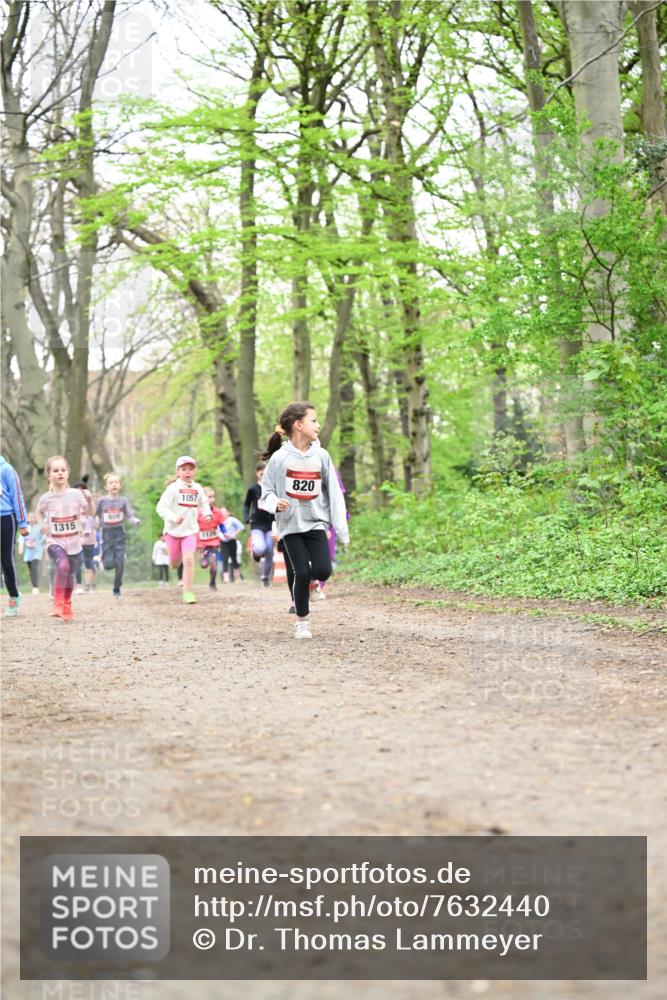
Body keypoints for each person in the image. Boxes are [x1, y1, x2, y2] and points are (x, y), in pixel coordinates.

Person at [259, 402, 349, 639]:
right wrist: (274, 503)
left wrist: (340, 528)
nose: (318, 425)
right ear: (299, 425)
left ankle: (311, 584)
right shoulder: (279, 458)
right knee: (300, 572)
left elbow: (335, 493)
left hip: (316, 523)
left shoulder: (321, 456)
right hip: (290, 526)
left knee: (323, 570)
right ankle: (302, 622)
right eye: (314, 421)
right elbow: (265, 493)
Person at [36, 455, 95, 622]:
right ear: (49, 475)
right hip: (54, 541)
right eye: (55, 470)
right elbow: (39, 511)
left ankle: (67, 603)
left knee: (70, 574)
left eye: (63, 470)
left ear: (68, 473)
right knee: (62, 565)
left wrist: (90, 500)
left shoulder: (76, 494)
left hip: (74, 542)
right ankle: (57, 602)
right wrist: (42, 524)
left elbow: (90, 512)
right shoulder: (46, 498)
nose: (60, 473)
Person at [156, 456, 212, 605]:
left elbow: (204, 503)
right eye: (183, 469)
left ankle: (187, 592)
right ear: (178, 472)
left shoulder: (197, 488)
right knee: (174, 563)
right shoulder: (173, 488)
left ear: (194, 471)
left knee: (188, 559)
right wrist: (173, 517)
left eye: (190, 469)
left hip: (190, 531)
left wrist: (207, 514)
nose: (187, 472)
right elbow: (161, 508)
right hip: (173, 532)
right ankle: (175, 559)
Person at [96, 473, 140, 598]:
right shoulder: (102, 501)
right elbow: (96, 513)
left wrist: (135, 521)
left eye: (116, 482)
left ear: (119, 485)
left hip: (119, 533)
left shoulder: (123, 500)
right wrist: (96, 522)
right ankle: (102, 559)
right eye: (111, 482)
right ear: (106, 487)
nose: (114, 484)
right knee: (109, 565)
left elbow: (130, 515)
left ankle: (116, 588)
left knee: (120, 564)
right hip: (106, 534)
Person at [0, 454, 29, 617]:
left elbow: (17, 496)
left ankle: (14, 596)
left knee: (5, 559)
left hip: (5, 517)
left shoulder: (6, 469)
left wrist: (22, 523)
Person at [243, 461, 274, 587]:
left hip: (271, 523)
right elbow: (246, 505)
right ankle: (255, 552)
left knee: (270, 549)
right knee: (261, 548)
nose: (264, 475)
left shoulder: (274, 487)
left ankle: (265, 577)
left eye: (266, 473)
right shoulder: (253, 489)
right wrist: (246, 517)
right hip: (257, 523)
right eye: (261, 473)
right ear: (257, 474)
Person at [197, 487, 224, 591]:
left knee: (213, 562)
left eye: (213, 496)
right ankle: (203, 559)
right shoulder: (197, 512)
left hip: (214, 541)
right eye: (209, 497)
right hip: (202, 542)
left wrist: (225, 532)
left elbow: (221, 524)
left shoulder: (217, 511)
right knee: (204, 564)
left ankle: (212, 583)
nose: (212, 499)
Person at [74, 480, 97, 593]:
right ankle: (79, 585)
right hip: (77, 539)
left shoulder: (88, 502)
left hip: (90, 539)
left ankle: (90, 584)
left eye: (82, 490)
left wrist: (90, 499)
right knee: (78, 561)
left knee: (89, 562)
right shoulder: (73, 504)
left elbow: (92, 514)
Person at [218, 507, 244, 583]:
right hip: (223, 542)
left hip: (232, 541)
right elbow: (216, 529)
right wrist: (221, 535)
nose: (223, 514)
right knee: (225, 559)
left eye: (224, 512)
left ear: (227, 512)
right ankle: (226, 578)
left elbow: (241, 527)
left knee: (234, 559)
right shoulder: (219, 521)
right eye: (221, 512)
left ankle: (237, 577)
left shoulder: (232, 520)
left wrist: (233, 534)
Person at [21, 512, 44, 594]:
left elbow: (43, 538)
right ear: (27, 518)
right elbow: (22, 539)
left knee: (34, 567)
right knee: (31, 570)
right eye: (30, 517)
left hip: (37, 551)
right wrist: (21, 549)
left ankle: (36, 587)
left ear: (35, 519)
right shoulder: (25, 528)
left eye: (33, 517)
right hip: (28, 553)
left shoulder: (39, 528)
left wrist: (39, 543)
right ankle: (34, 585)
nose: (31, 519)